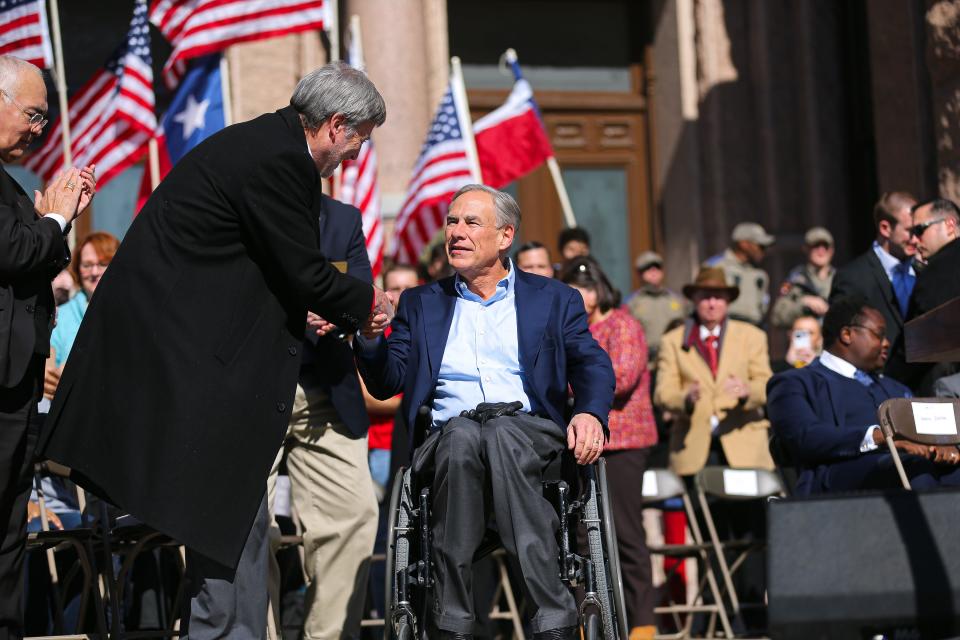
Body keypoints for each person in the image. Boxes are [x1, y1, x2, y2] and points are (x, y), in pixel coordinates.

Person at [37, 62, 393, 638]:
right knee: (230, 528)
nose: (354, 156)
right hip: (183, 370)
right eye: (359, 140)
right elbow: (303, 272)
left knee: (236, 530)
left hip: (197, 368)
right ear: (335, 125)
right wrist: (372, 303)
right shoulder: (278, 161)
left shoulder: (261, 144)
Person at [356, 184, 614, 640]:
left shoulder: (554, 299)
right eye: (452, 222)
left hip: (531, 437)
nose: (455, 232)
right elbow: (389, 379)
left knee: (501, 433)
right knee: (464, 436)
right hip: (448, 443)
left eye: (471, 222)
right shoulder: (421, 302)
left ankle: (552, 620)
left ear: (505, 236)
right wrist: (372, 336)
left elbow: (591, 362)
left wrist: (590, 413)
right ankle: (452, 622)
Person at [0, 54, 95, 639]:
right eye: (33, 114)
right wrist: (55, 218)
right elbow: (13, 253)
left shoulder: (9, 188)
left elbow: (30, 257)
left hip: (17, 392)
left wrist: (52, 226)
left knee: (11, 533)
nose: (40, 129)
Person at [266, 193, 379, 640]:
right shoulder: (250, 209)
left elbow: (362, 295)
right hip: (255, 389)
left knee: (356, 515)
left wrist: (341, 313)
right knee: (252, 529)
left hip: (326, 393)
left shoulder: (343, 219)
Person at [767, 296, 960, 495]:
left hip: (906, 466)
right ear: (847, 334)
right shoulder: (796, 382)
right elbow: (804, 436)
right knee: (915, 469)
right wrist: (881, 437)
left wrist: (943, 443)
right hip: (837, 477)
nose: (886, 343)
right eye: (879, 335)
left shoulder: (895, 388)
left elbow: (926, 431)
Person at [559, 257, 658, 640]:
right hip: (579, 442)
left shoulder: (624, 324)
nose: (581, 294)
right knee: (582, 535)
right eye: (573, 288)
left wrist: (572, 384)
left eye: (586, 286)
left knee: (626, 532)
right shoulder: (570, 329)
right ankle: (590, 621)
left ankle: (644, 622)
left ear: (600, 288)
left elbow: (622, 377)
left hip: (623, 443)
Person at [654, 266, 774, 476]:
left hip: (744, 446)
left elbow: (767, 384)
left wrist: (747, 391)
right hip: (693, 448)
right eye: (705, 297)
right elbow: (663, 393)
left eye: (718, 298)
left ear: (728, 301)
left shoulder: (752, 336)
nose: (711, 304)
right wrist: (686, 399)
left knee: (748, 509)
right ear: (694, 300)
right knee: (700, 509)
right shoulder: (672, 340)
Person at [829, 191, 918, 360]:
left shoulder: (925, 268)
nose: (915, 239)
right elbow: (840, 338)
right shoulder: (853, 277)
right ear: (885, 228)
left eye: (919, 230)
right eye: (909, 231)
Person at [888, 198, 960, 393]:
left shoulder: (940, 270)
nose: (914, 240)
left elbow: (919, 341)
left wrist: (887, 379)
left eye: (920, 230)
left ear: (950, 225)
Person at [44, 232, 119, 396]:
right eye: (87, 265)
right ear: (78, 269)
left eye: (103, 264)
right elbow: (48, 368)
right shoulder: (62, 316)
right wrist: (51, 376)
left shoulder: (132, 311)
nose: (94, 272)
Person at [704, 222, 775, 326]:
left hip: (753, 329)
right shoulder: (716, 267)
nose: (763, 251)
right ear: (744, 244)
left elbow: (762, 308)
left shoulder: (759, 275)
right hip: (724, 328)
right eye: (760, 246)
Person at [625, 251, 686, 365]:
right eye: (647, 268)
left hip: (675, 361)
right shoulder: (631, 304)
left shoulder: (677, 301)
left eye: (657, 267)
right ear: (639, 274)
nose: (653, 272)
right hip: (647, 363)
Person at [770, 226, 835, 328]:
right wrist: (804, 303)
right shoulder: (796, 280)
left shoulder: (841, 280)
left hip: (833, 339)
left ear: (831, 251)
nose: (821, 251)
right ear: (806, 249)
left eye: (825, 246)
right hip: (805, 338)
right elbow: (777, 317)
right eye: (816, 246)